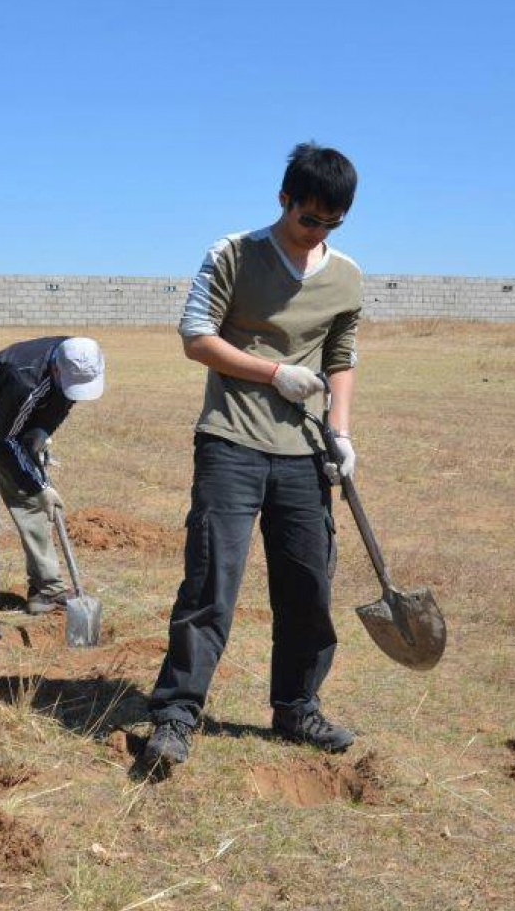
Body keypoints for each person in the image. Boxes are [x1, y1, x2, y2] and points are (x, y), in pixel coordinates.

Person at [144, 142, 362, 770]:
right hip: (231, 444)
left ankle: (298, 707)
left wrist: (340, 433)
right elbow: (195, 338)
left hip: (303, 453)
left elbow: (341, 357)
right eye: (306, 218)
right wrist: (273, 373)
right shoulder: (233, 254)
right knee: (212, 583)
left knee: (308, 586)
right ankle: (177, 714)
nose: (314, 232)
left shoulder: (346, 276)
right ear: (283, 200)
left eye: (330, 223)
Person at [0, 336, 105, 641]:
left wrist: (41, 431)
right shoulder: (25, 378)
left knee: (31, 505)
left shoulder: (78, 361)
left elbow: (62, 401)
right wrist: (42, 485)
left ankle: (47, 590)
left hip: (11, 420)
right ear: (57, 370)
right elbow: (2, 440)